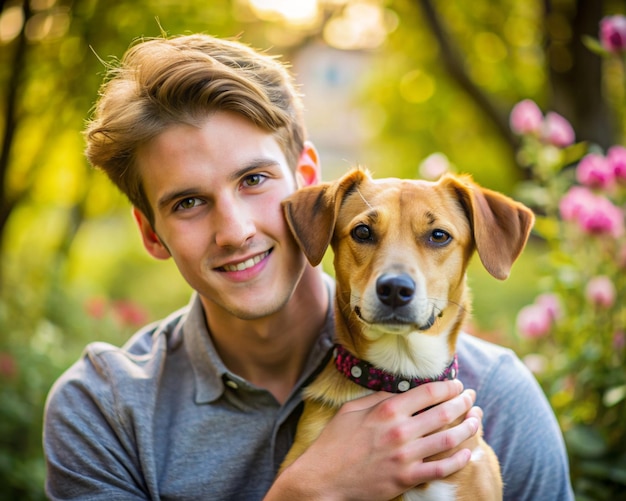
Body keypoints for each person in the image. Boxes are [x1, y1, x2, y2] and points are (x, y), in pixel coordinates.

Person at [43, 33, 574, 500]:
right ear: (150, 233)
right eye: (188, 203)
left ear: (308, 182)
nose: (235, 231)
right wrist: (308, 491)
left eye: (253, 179)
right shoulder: (103, 413)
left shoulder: (498, 396)